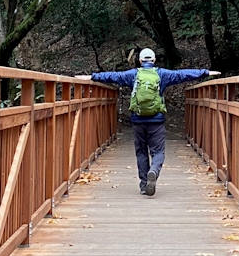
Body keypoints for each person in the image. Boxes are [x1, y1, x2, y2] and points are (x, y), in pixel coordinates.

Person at [80, 49, 219, 196]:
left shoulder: (133, 74)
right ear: (153, 60)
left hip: (138, 119)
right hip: (156, 119)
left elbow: (113, 76)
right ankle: (154, 170)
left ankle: (144, 185)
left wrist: (92, 77)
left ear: (140, 61)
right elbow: (182, 75)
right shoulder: (162, 74)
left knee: (141, 152)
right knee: (158, 151)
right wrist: (205, 72)